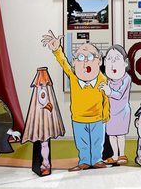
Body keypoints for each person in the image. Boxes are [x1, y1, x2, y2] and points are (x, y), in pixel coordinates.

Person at [42, 30, 109, 171]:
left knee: (97, 142)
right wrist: (57, 50)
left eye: (90, 57)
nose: (85, 61)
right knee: (82, 142)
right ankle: (84, 161)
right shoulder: (73, 77)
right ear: (74, 61)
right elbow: (63, 63)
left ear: (99, 61)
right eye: (81, 57)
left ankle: (97, 159)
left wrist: (106, 115)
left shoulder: (102, 79)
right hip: (78, 118)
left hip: (98, 118)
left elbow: (105, 98)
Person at [22, 67, 65, 176]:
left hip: (44, 118)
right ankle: (45, 164)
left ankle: (46, 164)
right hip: (42, 118)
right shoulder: (42, 91)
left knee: (44, 143)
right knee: (43, 143)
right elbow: (42, 100)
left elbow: (44, 100)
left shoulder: (45, 91)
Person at [99, 44, 132, 165]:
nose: (112, 63)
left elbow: (119, 94)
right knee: (112, 135)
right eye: (109, 59)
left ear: (125, 63)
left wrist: (109, 91)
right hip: (110, 112)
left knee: (120, 135)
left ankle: (122, 154)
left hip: (122, 112)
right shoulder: (107, 79)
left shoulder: (126, 78)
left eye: (116, 59)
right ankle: (115, 155)